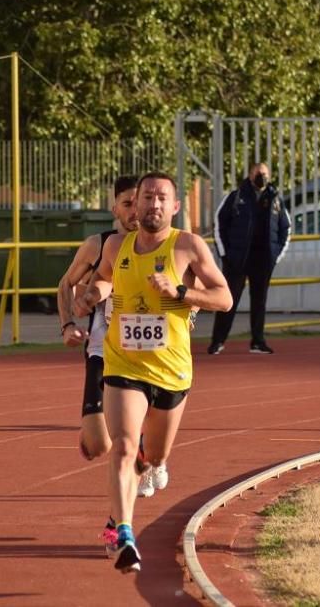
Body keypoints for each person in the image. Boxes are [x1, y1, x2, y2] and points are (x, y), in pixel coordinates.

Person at [76, 171, 232, 573]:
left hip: (172, 370)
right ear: (136, 203)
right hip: (123, 363)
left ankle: (121, 510)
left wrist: (180, 292)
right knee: (125, 447)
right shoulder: (116, 246)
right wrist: (90, 295)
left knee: (152, 454)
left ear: (175, 206)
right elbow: (103, 281)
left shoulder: (188, 246)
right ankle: (124, 532)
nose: (153, 204)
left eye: (162, 198)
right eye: (147, 197)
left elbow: (225, 298)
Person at [57, 175, 138, 464]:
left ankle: (146, 455)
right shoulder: (98, 245)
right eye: (126, 203)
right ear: (114, 208)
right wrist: (67, 325)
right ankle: (96, 435)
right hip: (101, 350)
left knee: (134, 436)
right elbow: (65, 284)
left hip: (145, 354)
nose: (134, 211)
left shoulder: (161, 246)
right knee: (98, 446)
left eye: (139, 202)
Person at [208, 162, 290, 355]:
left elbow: (286, 228)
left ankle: (258, 341)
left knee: (259, 301)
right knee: (228, 300)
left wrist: (276, 255)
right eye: (258, 173)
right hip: (237, 259)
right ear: (250, 175)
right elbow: (219, 224)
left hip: (263, 259)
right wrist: (225, 255)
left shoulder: (275, 199)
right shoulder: (236, 196)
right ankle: (217, 341)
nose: (261, 176)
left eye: (265, 173)